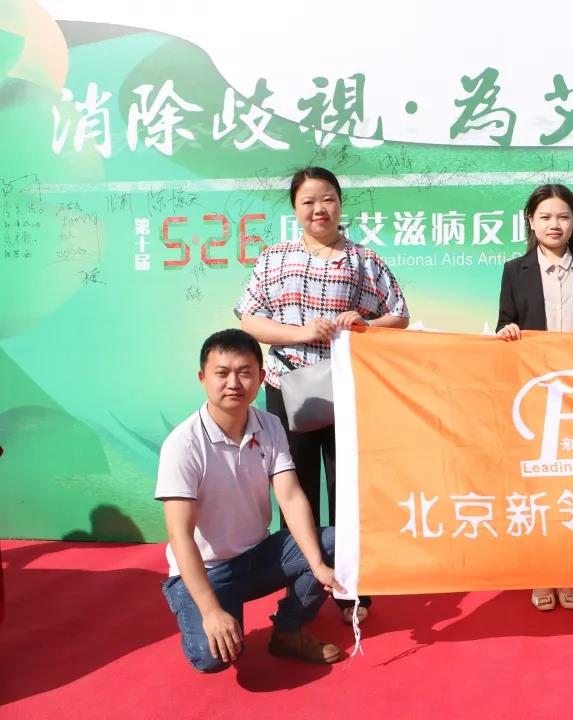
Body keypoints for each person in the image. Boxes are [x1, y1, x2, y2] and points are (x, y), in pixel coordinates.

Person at [236, 167, 409, 625]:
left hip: (345, 389)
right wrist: (300, 333)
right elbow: (249, 319)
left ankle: (353, 588)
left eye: (328, 199)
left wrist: (364, 324)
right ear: (295, 208)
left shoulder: (363, 260)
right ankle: (302, 589)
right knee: (295, 488)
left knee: (347, 489)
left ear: (340, 203)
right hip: (286, 386)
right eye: (308, 201)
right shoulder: (274, 258)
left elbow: (399, 315)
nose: (319, 209)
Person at [157, 329, 345, 672]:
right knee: (212, 657)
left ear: (261, 378)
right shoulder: (183, 444)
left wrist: (317, 565)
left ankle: (289, 631)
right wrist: (211, 611)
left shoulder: (270, 426)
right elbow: (179, 535)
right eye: (222, 373)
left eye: (245, 373)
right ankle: (209, 606)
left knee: (334, 542)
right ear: (202, 378)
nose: (234, 383)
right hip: (206, 571)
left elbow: (290, 496)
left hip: (257, 557)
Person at [496, 183, 573, 612]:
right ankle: (541, 570)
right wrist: (507, 331)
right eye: (545, 217)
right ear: (531, 221)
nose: (554, 224)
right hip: (534, 393)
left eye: (562, 216)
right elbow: (504, 323)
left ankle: (569, 568)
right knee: (538, 485)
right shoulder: (515, 270)